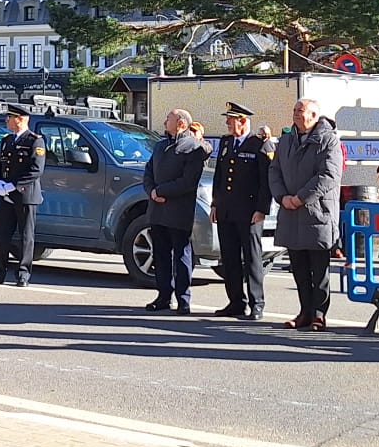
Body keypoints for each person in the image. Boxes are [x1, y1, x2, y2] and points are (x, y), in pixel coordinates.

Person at [269, 98, 341, 331]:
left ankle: (319, 314)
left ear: (313, 116)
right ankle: (304, 312)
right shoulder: (287, 139)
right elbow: (274, 170)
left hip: (316, 212)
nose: (296, 114)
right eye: (295, 110)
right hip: (291, 213)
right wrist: (282, 197)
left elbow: (328, 176)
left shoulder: (327, 140)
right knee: (298, 267)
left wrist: (300, 198)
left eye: (300, 111)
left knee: (319, 269)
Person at [209, 101, 271, 320]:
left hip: (249, 212)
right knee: (230, 258)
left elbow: (266, 181)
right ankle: (236, 302)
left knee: (252, 258)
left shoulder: (259, 145)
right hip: (226, 210)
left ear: (243, 121)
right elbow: (219, 176)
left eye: (231, 120)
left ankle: (257, 303)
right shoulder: (226, 143)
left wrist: (262, 209)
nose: (227, 123)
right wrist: (215, 204)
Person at [142, 108, 207, 313]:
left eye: (168, 118)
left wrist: (162, 191)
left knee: (181, 255)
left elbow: (188, 181)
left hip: (178, 211)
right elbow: (148, 171)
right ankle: (163, 296)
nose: (164, 122)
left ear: (180, 123)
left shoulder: (192, 147)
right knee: (160, 255)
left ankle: (183, 299)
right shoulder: (160, 146)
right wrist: (152, 191)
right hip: (157, 209)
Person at [0, 102, 45, 287]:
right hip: (5, 196)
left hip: (25, 195)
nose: (7, 120)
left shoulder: (35, 141)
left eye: (10, 117)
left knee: (26, 236)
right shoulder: (7, 140)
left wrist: (13, 185)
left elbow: (36, 169)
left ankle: (23, 274)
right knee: (2, 235)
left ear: (19, 120)